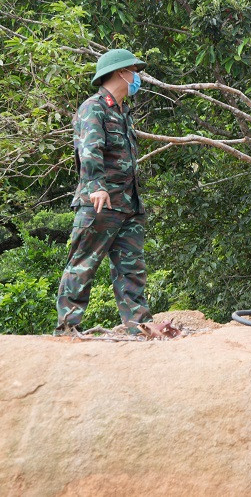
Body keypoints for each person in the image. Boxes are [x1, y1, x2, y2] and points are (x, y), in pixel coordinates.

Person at [55, 48, 153, 335]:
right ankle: (67, 330)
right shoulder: (93, 107)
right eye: (134, 71)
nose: (137, 77)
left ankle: (139, 327)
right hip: (100, 202)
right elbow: (89, 150)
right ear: (121, 72)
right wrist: (96, 187)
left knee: (132, 270)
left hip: (128, 205)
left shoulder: (123, 111)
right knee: (83, 264)